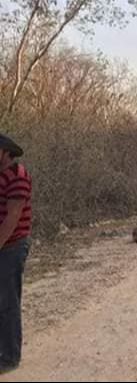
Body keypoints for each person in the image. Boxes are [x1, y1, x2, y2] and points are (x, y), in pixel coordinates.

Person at [0, 133, 32, 374]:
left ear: (5, 152)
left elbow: (12, 217)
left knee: (8, 302)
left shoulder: (18, 175)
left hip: (11, 246)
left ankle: (10, 356)